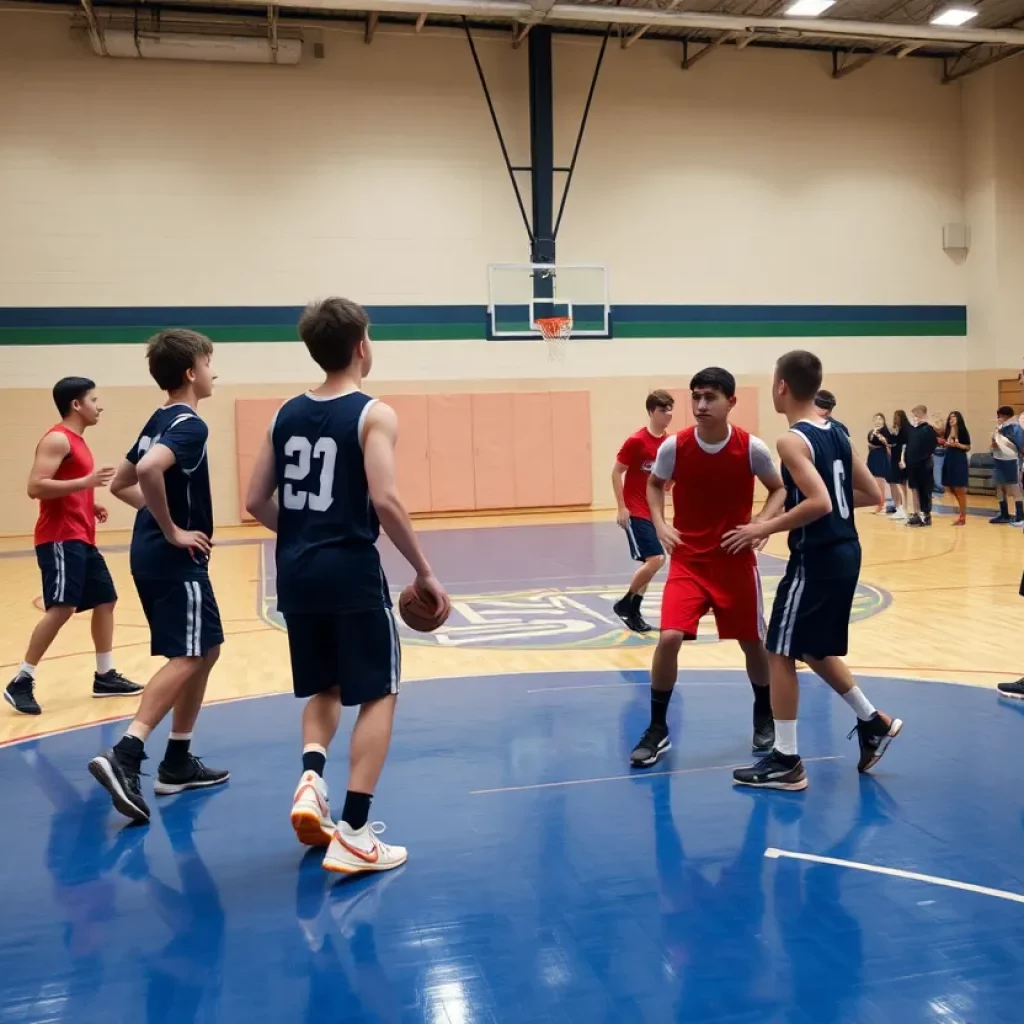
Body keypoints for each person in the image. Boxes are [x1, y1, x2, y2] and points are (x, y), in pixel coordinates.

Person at [246, 297, 448, 876]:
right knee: (380, 691)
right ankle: (356, 832)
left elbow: (256, 501)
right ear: (362, 345)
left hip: (297, 570)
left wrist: (309, 529)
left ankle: (313, 779)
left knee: (326, 686)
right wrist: (425, 570)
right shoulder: (373, 413)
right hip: (350, 570)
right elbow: (384, 499)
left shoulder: (283, 412)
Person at [724, 350, 902, 791]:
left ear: (781, 386)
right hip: (846, 551)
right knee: (812, 646)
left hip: (817, 556)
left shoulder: (792, 440)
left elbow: (820, 501)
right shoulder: (837, 430)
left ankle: (786, 761)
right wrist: (829, 508)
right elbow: (869, 494)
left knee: (779, 651)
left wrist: (763, 526)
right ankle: (872, 720)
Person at [89, 329, 228, 824]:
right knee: (189, 654)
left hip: (152, 554)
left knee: (206, 647)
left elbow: (123, 482)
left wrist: (154, 520)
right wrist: (172, 530)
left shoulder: (160, 417)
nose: (215, 372)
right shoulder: (190, 424)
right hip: (171, 558)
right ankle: (126, 753)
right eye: (211, 364)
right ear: (192, 371)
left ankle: (178, 761)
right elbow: (147, 470)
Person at [628, 367, 786, 768]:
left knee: (753, 643)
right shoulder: (674, 448)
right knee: (668, 639)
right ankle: (658, 727)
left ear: (731, 402)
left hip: (735, 562)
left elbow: (779, 488)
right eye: (696, 397)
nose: (700, 405)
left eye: (710, 397)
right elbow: (652, 485)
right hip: (689, 563)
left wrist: (761, 524)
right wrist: (661, 523)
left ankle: (763, 713)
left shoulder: (752, 448)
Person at [4, 377, 142, 715]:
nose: (100, 406)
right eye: (94, 399)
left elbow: (64, 484)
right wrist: (86, 483)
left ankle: (105, 674)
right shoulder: (57, 439)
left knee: (106, 600)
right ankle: (21, 679)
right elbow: (36, 486)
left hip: (81, 534)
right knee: (62, 607)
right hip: (59, 538)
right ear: (76, 405)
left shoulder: (78, 442)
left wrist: (88, 501)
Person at [611, 390, 674, 632]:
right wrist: (621, 507)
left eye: (670, 409)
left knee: (651, 562)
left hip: (653, 511)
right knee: (657, 559)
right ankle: (626, 602)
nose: (667, 414)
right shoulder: (637, 441)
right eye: (662, 409)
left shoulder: (669, 443)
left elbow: (671, 475)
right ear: (651, 412)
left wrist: (670, 484)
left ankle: (633, 611)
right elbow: (617, 472)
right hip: (636, 509)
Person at [905, 404, 938, 527]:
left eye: (915, 415)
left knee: (925, 489)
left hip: (924, 465)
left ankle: (926, 514)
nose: (914, 417)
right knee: (914, 489)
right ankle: (916, 513)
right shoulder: (913, 430)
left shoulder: (928, 429)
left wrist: (921, 458)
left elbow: (931, 447)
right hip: (912, 465)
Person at [990, 406, 1023, 525]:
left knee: (1015, 488)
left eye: (999, 415)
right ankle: (1004, 514)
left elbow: (1021, 445)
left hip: (1012, 460)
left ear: (1003, 415)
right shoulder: (999, 428)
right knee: (999, 487)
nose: (998, 418)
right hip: (999, 459)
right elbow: (993, 444)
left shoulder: (1015, 428)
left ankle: (1020, 516)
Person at [942, 411, 971, 526]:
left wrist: (959, 445)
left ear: (959, 418)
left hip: (959, 458)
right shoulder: (948, 430)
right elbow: (947, 442)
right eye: (950, 417)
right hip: (949, 457)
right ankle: (960, 511)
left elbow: (968, 447)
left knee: (959, 488)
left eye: (954, 417)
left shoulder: (963, 430)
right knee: (949, 487)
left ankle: (962, 516)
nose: (951, 419)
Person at [865, 413, 893, 514]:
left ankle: (881, 504)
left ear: (883, 420)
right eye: (876, 419)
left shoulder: (885, 431)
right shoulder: (872, 431)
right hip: (873, 455)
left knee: (880, 480)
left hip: (881, 455)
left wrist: (880, 436)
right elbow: (870, 442)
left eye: (880, 419)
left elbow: (888, 443)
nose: (878, 421)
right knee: (874, 480)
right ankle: (879, 502)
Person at [886, 409, 909, 521]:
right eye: (894, 417)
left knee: (901, 483)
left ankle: (904, 508)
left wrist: (903, 459)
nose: (895, 419)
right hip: (893, 458)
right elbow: (890, 442)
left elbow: (904, 445)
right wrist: (892, 434)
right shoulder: (895, 430)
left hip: (901, 459)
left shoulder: (906, 430)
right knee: (891, 481)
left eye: (897, 417)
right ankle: (898, 507)